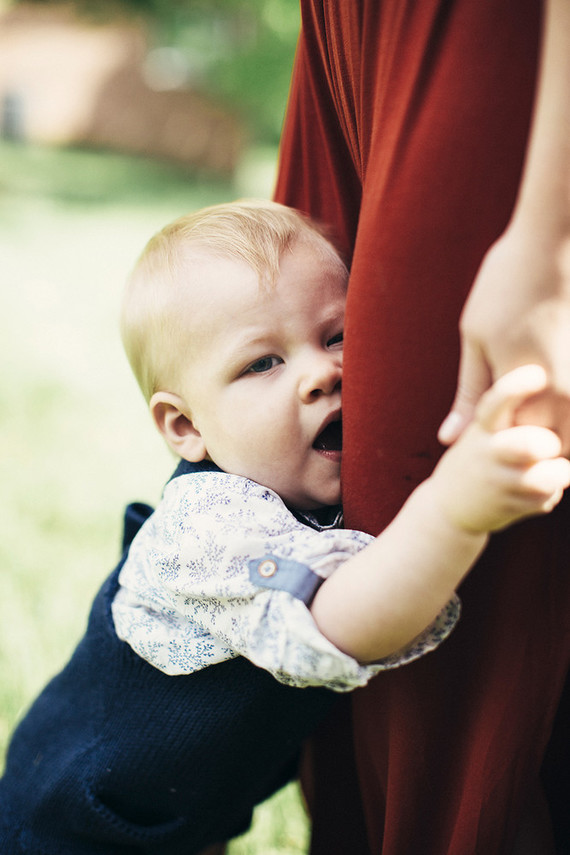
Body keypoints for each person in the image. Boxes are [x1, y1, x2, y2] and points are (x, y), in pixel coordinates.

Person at [1, 200, 568, 855]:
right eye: (262, 363)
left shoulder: (293, 489)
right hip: (75, 834)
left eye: (336, 335)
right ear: (186, 427)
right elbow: (341, 620)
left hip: (179, 820)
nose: (320, 373)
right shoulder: (208, 534)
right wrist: (454, 509)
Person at [274, 1, 570, 853]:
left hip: (492, 29)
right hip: (341, 34)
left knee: (465, 671)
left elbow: (342, 624)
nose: (317, 374)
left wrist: (551, 237)